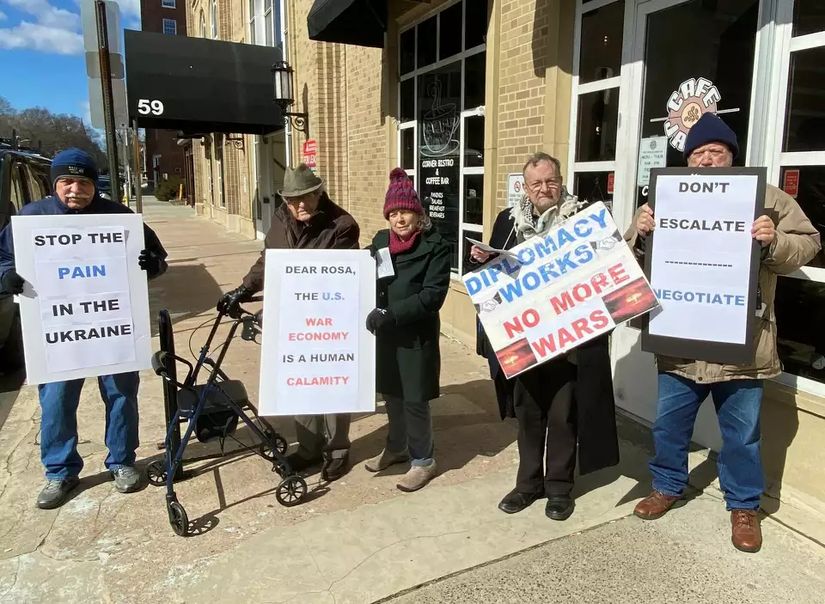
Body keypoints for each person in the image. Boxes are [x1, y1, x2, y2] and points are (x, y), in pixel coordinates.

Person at [628, 113, 821, 553]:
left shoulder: (765, 198)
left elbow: (808, 242)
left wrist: (773, 240)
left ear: (732, 156)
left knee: (742, 434)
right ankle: (667, 487)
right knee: (670, 427)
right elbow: (632, 262)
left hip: (743, 345)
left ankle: (744, 506)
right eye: (699, 152)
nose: (708, 159)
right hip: (680, 344)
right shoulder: (666, 197)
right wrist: (639, 235)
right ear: (689, 159)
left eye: (717, 152)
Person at [0, 148, 168, 509]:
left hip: (112, 328)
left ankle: (122, 462)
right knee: (57, 400)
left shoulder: (120, 218)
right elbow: (3, 259)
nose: (76, 189)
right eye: (68, 181)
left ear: (95, 185)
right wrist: (7, 275)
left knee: (122, 395)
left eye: (84, 182)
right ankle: (60, 472)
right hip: (59, 332)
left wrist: (149, 263)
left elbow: (157, 260)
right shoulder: (31, 219)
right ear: (55, 184)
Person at [470, 152, 619, 520]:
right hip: (523, 339)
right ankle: (528, 485)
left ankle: (559, 488)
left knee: (563, 415)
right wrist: (481, 260)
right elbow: (497, 272)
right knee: (528, 415)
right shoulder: (507, 221)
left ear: (561, 180)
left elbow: (608, 264)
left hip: (569, 339)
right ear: (526, 186)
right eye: (536, 183)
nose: (544, 188)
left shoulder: (585, 216)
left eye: (550, 181)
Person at [218, 164, 360, 482]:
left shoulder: (342, 224)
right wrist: (243, 289)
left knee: (331, 382)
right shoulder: (281, 219)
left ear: (319, 193)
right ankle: (309, 448)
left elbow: (344, 276)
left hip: (328, 317)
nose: (299, 206)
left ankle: (338, 449)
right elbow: (269, 260)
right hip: (292, 318)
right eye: (292, 200)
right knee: (300, 382)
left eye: (305, 198)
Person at [364, 168, 450, 492]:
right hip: (386, 333)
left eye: (406, 212)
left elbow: (432, 296)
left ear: (418, 214)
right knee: (391, 394)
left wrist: (392, 313)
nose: (400, 219)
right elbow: (364, 275)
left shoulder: (435, 245)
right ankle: (397, 446)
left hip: (415, 335)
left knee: (414, 399)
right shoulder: (380, 242)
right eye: (394, 212)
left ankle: (423, 460)